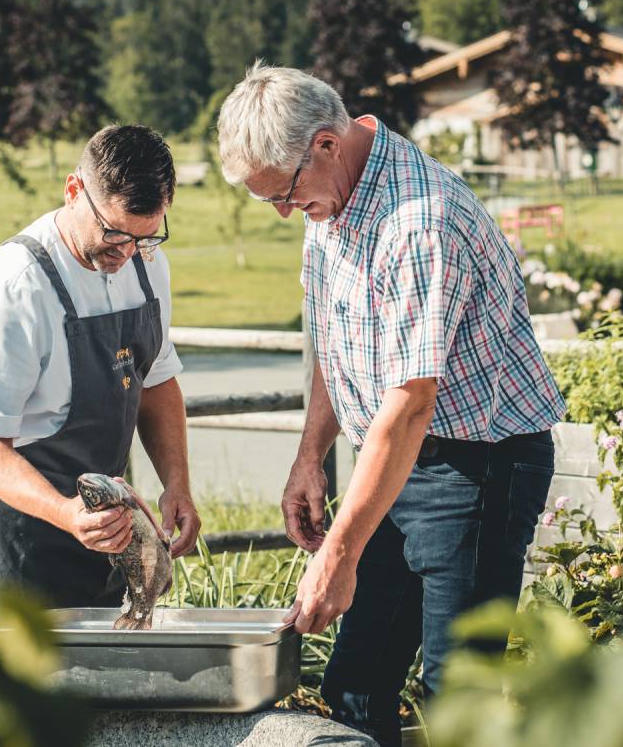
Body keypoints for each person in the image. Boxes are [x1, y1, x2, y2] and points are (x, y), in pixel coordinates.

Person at [216, 63, 565, 745]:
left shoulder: (418, 222)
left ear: (324, 143)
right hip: (397, 459)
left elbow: (410, 403)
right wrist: (308, 459)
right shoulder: (333, 197)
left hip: (477, 465)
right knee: (353, 680)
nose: (285, 211)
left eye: (283, 194)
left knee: (456, 692)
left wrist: (339, 552)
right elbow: (332, 337)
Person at [0, 124, 201, 607]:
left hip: (99, 514)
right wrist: (65, 513)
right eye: (113, 233)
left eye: (143, 237)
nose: (126, 253)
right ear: (73, 189)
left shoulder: (147, 263)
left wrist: (176, 483)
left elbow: (157, 382)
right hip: (10, 525)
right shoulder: (12, 287)